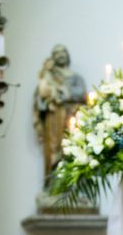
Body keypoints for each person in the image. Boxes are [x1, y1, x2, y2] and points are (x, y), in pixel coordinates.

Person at [33, 44, 87, 181]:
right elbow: (40, 97)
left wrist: (63, 93)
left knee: (73, 148)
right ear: (53, 58)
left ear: (67, 55)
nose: (60, 55)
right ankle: (53, 184)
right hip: (54, 117)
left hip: (72, 116)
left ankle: (72, 186)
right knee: (53, 149)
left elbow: (81, 93)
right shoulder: (48, 77)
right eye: (56, 53)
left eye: (63, 52)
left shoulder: (76, 78)